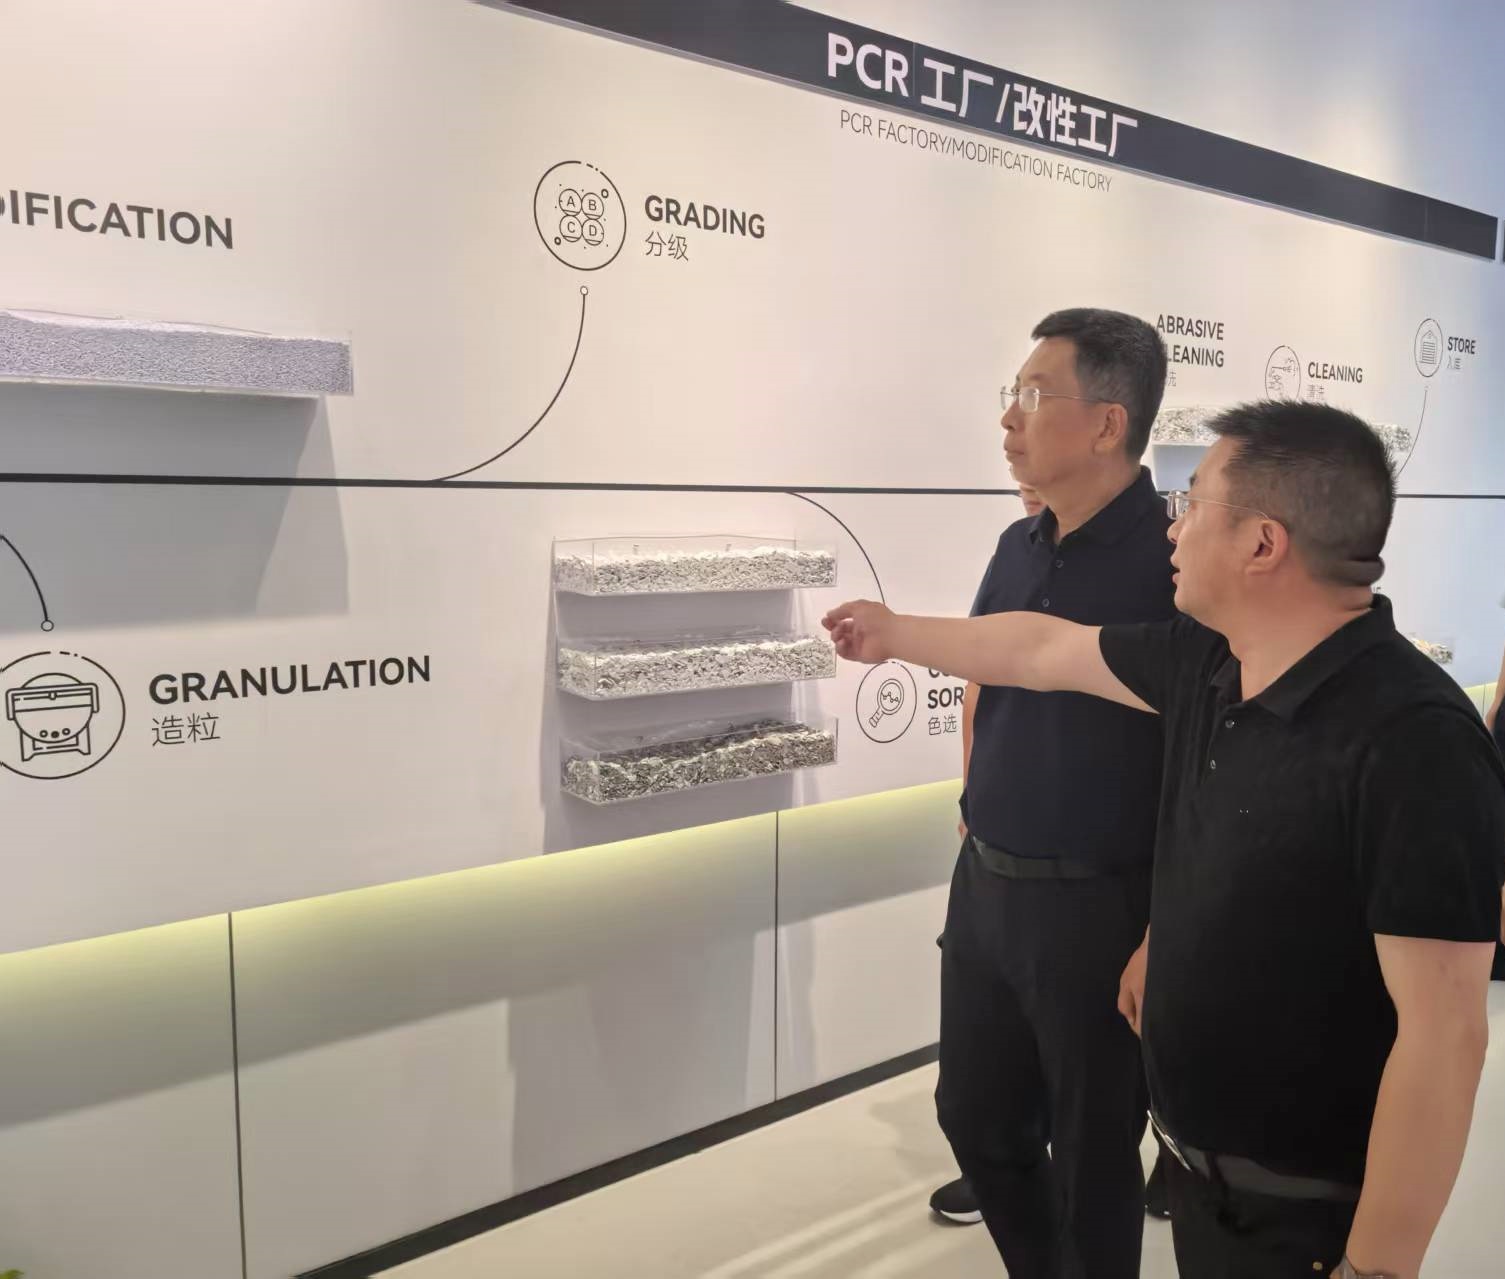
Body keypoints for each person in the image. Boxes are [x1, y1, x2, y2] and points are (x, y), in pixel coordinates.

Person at [826, 400, 1505, 1279]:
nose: (1173, 529)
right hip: (1199, 1180)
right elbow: (1040, 651)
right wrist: (894, 634)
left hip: (1306, 1218)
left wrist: (1373, 1267)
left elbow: (1444, 1033)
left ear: (1261, 543)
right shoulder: (1207, 663)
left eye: (1192, 504)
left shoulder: (1413, 740)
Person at [922, 309, 1177, 1277]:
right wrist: (973, 797)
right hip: (986, 885)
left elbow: (1201, 757)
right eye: (1012, 394)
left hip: (1100, 905)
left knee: (1092, 1152)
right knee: (972, 1114)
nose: (1008, 418)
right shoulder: (1016, 544)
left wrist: (1162, 928)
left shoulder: (1174, 561)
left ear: (1107, 423)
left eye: (1032, 396)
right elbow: (985, 673)